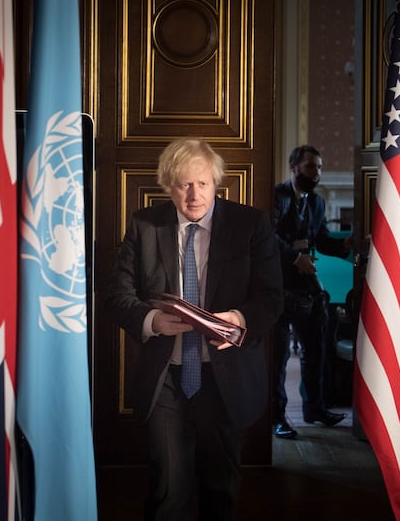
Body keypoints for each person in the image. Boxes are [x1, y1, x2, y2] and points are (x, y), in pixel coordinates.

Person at [103, 138, 283, 520]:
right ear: (168, 186)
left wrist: (239, 318)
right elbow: (116, 297)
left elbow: (271, 298)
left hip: (225, 377)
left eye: (202, 183)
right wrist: (151, 321)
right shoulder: (145, 225)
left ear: (216, 183)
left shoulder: (250, 225)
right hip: (165, 377)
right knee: (168, 488)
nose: (194, 194)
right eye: (184, 184)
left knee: (220, 489)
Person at [271, 145, 352, 439]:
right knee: (277, 358)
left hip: (307, 289)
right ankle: (277, 418)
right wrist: (295, 258)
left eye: (319, 167)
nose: (316, 173)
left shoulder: (316, 204)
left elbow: (321, 239)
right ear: (294, 168)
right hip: (277, 287)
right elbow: (269, 237)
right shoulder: (276, 196)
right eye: (310, 167)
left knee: (315, 350)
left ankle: (315, 409)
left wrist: (346, 245)